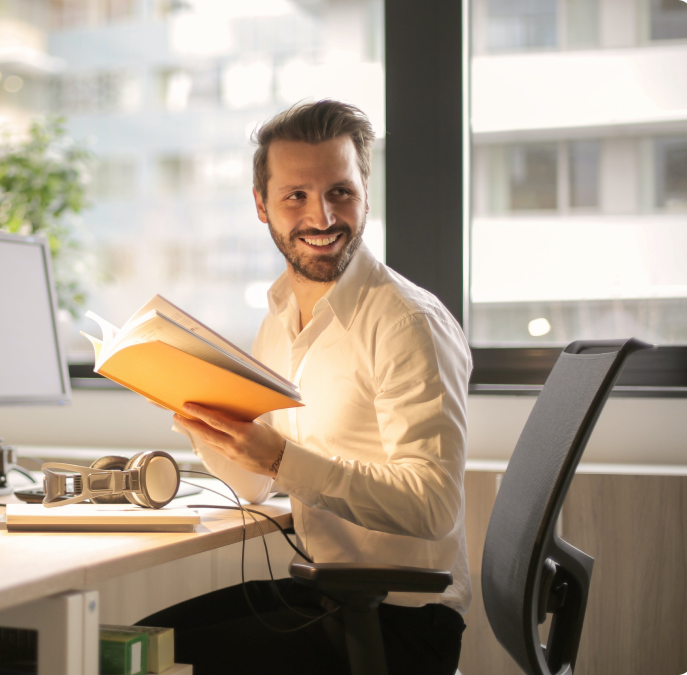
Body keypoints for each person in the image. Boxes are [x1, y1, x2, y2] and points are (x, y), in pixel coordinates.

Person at [138, 100, 472, 675]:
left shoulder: (405, 322)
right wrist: (197, 414)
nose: (322, 217)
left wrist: (282, 457)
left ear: (365, 191)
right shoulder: (280, 315)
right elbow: (252, 486)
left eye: (340, 191)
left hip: (401, 623)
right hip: (326, 596)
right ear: (261, 206)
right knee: (136, 644)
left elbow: (433, 506)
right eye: (296, 195)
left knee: (141, 663)